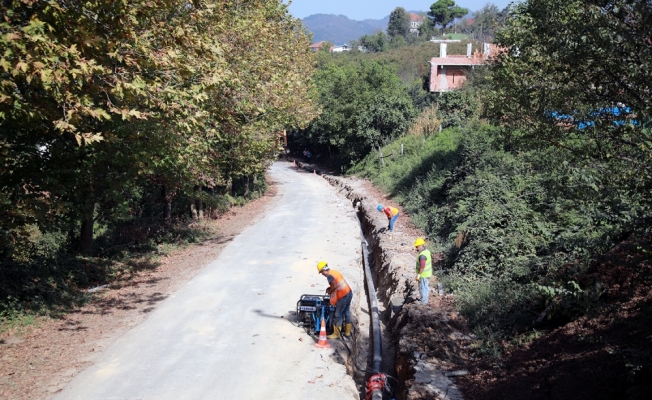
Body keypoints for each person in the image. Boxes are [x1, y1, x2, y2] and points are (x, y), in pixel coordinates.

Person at [316, 261, 352, 339]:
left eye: (321, 272)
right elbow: (336, 283)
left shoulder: (329, 276)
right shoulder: (334, 272)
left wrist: (329, 291)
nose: (322, 274)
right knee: (346, 312)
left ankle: (336, 334)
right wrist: (330, 289)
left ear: (323, 270)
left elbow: (334, 286)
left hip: (343, 296)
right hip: (349, 292)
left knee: (338, 314)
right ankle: (347, 332)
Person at [413, 237, 432, 305]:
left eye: (417, 246)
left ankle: (423, 302)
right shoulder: (426, 251)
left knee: (423, 287)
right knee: (425, 287)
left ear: (421, 245)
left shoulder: (422, 256)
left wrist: (419, 274)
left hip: (423, 274)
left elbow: (422, 266)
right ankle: (424, 300)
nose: (416, 248)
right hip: (427, 273)